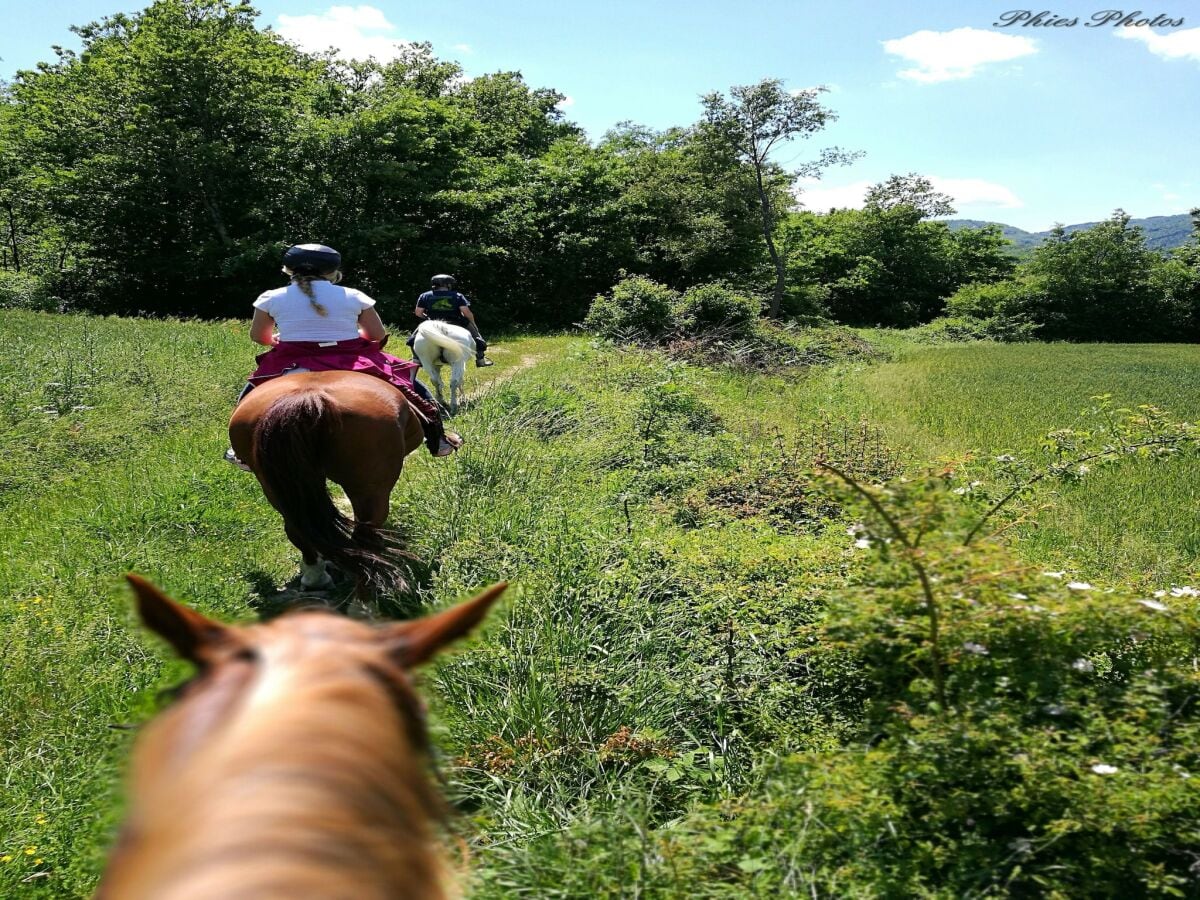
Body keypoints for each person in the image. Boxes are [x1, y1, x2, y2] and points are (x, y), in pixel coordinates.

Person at [224, 244, 462, 469]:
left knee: (250, 394)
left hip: (292, 358)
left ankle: (241, 448)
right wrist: (352, 333)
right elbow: (376, 335)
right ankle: (438, 438)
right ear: (332, 271)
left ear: (289, 270)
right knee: (411, 386)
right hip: (350, 357)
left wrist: (275, 339)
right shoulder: (354, 295)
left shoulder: (270, 297)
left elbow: (258, 336)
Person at [406, 274, 494, 367]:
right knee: (478, 339)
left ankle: (416, 359)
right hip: (456, 322)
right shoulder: (457, 295)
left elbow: (418, 312)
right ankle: (480, 360)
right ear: (448, 285)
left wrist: (427, 318)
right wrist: (473, 324)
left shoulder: (424, 295)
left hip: (432, 323)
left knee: (412, 340)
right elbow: (467, 313)